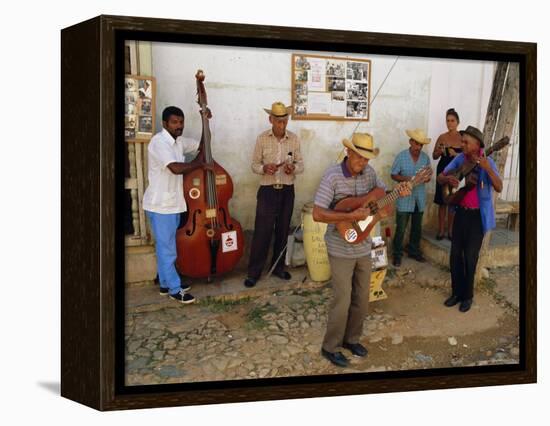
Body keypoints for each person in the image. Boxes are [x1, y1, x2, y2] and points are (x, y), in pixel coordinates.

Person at [312, 133, 411, 368]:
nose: (363, 162)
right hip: (340, 246)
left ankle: (352, 339)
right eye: (359, 157)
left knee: (362, 296)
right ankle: (330, 346)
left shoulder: (370, 174)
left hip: (364, 245)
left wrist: (399, 193)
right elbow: (318, 213)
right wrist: (349, 215)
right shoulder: (332, 176)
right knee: (342, 298)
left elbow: (383, 200)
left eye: (367, 158)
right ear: (348, 152)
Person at [142, 106, 211, 304]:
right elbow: (175, 168)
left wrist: (206, 122)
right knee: (167, 249)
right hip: (160, 205)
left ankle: (165, 283)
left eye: (181, 122)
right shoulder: (159, 142)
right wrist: (200, 164)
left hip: (173, 204)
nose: (179, 126)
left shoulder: (178, 142)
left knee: (166, 246)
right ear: (165, 123)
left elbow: (203, 145)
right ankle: (174, 288)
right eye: (174, 122)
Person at [437, 126, 502, 312]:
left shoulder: (487, 161)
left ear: (477, 144)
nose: (462, 144)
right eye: (462, 141)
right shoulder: (459, 159)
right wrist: (448, 179)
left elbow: (499, 187)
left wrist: (488, 169)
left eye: (465, 142)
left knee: (470, 258)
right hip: (460, 213)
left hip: (477, 218)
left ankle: (468, 296)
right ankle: (456, 293)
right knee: (455, 255)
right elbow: (441, 177)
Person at [243, 102, 304, 288]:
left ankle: (278, 267)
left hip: (287, 190)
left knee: (283, 230)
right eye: (278, 121)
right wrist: (264, 168)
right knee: (262, 231)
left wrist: (293, 168)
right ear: (271, 120)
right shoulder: (262, 139)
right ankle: (254, 273)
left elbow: (301, 165)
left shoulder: (293, 139)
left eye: (285, 121)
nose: (282, 125)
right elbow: (254, 164)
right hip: (268, 190)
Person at [390, 129, 433, 267]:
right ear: (410, 142)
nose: (418, 147)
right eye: (416, 144)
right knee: (401, 228)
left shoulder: (425, 158)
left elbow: (428, 176)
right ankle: (397, 254)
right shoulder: (401, 156)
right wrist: (408, 179)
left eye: (421, 145)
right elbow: (393, 174)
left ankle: (414, 251)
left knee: (416, 228)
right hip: (403, 198)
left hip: (419, 198)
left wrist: (425, 178)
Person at [433, 108, 463, 240]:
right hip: (443, 171)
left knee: (452, 202)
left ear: (457, 122)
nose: (450, 123)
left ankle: (450, 230)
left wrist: (455, 154)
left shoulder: (462, 137)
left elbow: (467, 156)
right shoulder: (442, 137)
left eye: (452, 120)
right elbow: (434, 156)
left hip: (456, 172)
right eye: (448, 121)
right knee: (442, 202)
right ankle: (441, 230)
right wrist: (439, 152)